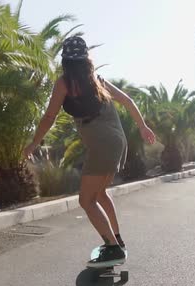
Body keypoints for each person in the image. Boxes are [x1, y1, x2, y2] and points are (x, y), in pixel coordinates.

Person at [23, 36, 156, 267]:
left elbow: (48, 117)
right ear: (87, 60)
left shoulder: (64, 83)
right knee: (100, 193)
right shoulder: (97, 80)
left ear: (65, 61)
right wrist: (142, 127)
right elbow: (128, 101)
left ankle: (113, 248)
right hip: (117, 141)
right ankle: (118, 241)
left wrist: (34, 144)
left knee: (86, 200)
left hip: (103, 145)